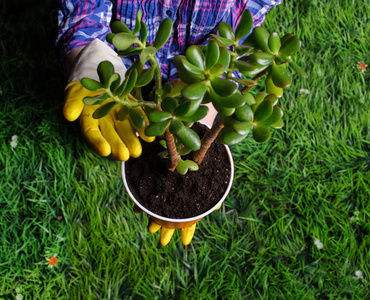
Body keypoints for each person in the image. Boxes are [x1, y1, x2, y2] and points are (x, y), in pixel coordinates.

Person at [57, 0, 281, 161]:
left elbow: (242, 26)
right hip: (125, 56)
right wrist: (88, 56)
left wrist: (208, 97)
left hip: (196, 67)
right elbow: (85, 8)